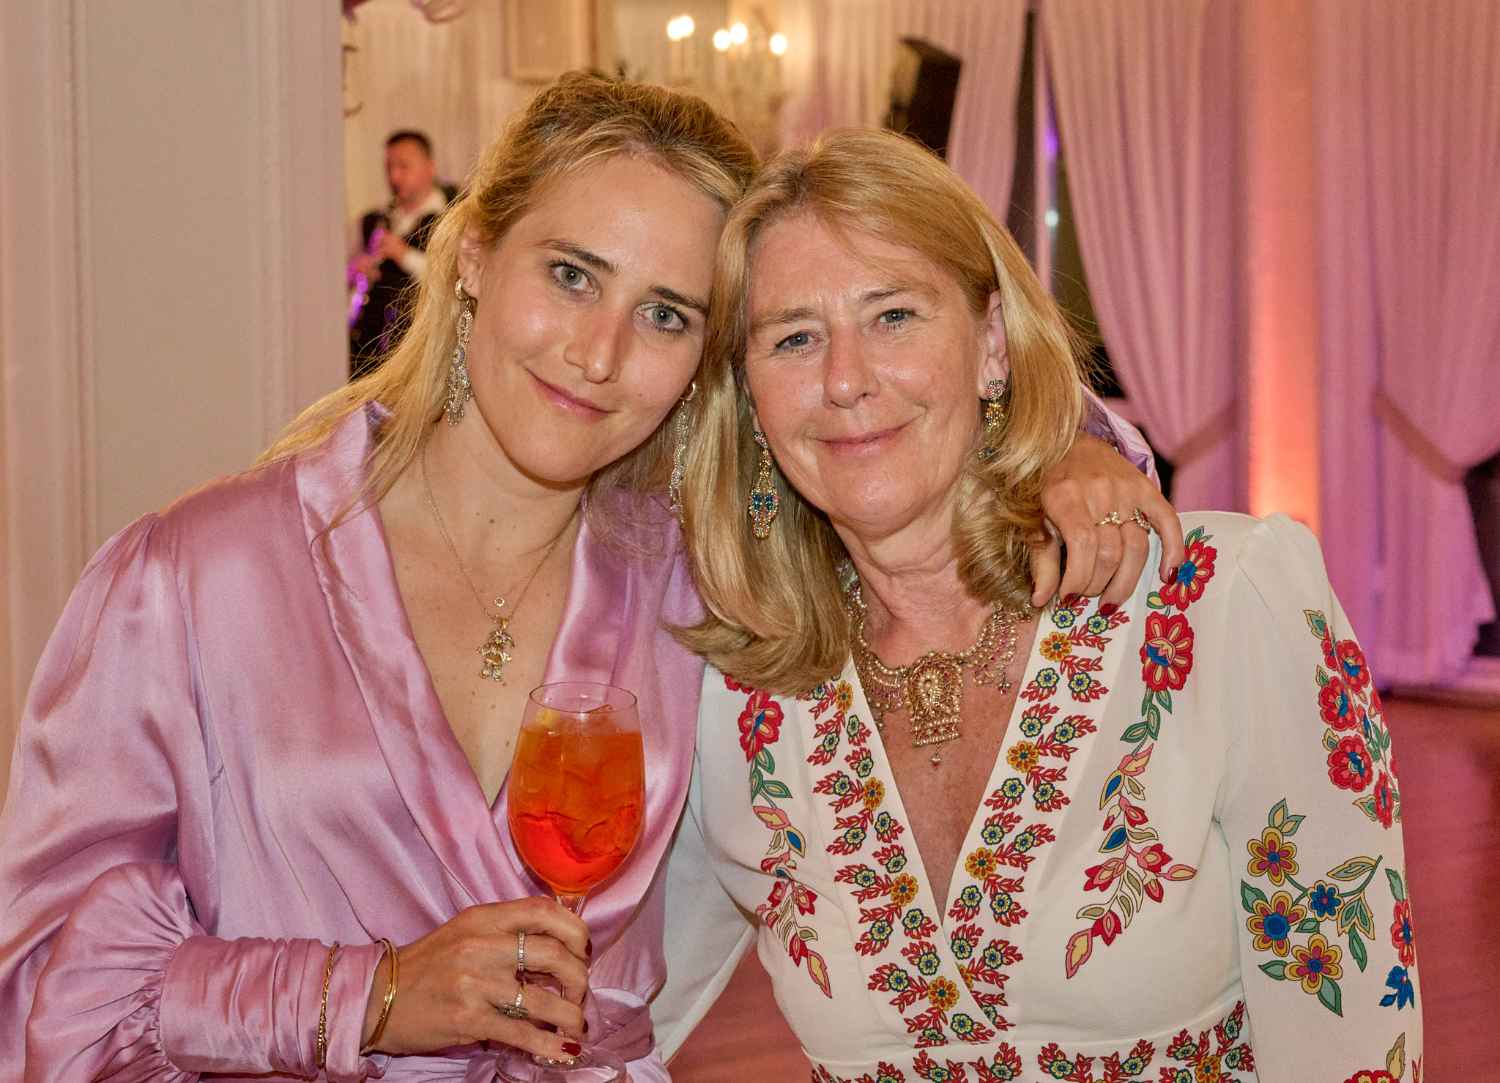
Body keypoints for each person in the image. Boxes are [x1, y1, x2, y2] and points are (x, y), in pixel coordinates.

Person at [0, 74, 1173, 1077]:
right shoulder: (194, 580)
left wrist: (1078, 455)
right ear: (473, 256)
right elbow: (50, 985)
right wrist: (370, 995)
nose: (599, 354)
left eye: (664, 314)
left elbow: (903, 459)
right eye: (570, 275)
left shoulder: (697, 572)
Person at [658, 129, 1422, 1083]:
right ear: (749, 396)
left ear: (990, 345)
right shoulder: (735, 699)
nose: (845, 378)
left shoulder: (1224, 601)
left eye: (893, 315)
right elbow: (613, 1006)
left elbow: (1352, 1040)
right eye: (795, 337)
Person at [348, 130, 455, 376]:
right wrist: (356, 271)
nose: (394, 176)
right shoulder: (375, 220)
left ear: (430, 167)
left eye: (403, 166)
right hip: (366, 351)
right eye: (389, 167)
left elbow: (452, 279)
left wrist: (404, 255)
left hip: (416, 356)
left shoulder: (450, 219)